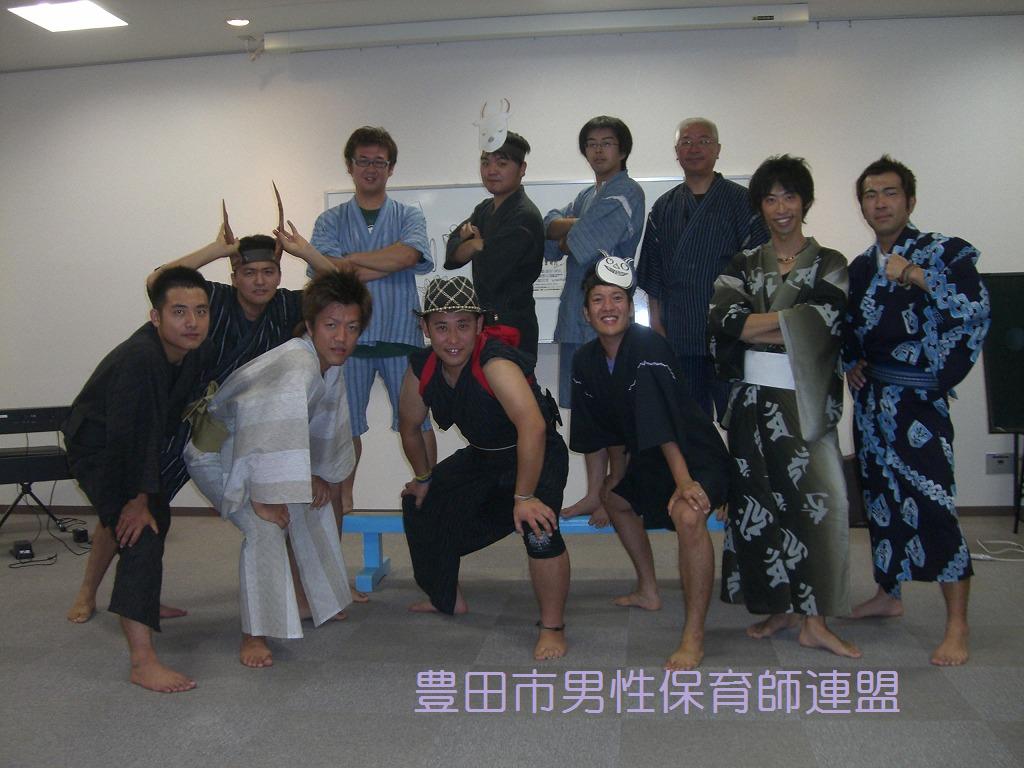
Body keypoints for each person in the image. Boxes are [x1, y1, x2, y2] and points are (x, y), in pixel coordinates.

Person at [66, 199, 347, 624]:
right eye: (249, 272)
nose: (259, 280)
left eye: (268, 271)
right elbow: (159, 281)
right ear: (234, 276)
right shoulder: (212, 300)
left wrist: (305, 252)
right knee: (135, 503)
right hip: (181, 417)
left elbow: (342, 290)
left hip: (237, 426)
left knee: (280, 500)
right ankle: (89, 590)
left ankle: (296, 595)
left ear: (279, 274)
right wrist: (216, 250)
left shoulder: (288, 306)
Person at [709, 155, 859, 659]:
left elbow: (825, 321)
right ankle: (779, 606)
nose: (780, 208)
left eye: (789, 196)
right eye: (770, 199)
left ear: (805, 202)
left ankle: (815, 619)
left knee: (818, 504)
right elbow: (725, 320)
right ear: (760, 206)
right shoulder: (743, 263)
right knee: (758, 504)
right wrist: (789, 320)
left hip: (804, 401)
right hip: (751, 403)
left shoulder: (831, 263)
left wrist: (758, 324)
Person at [843, 155, 990, 666]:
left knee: (933, 503)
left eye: (889, 193)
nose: (879, 203)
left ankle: (957, 623)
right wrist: (850, 362)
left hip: (919, 403)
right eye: (870, 195)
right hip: (872, 404)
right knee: (880, 500)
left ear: (910, 200)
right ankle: (889, 593)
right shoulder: (860, 268)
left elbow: (975, 310)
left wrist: (914, 274)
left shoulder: (945, 252)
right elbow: (846, 328)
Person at [184, 270, 370, 668]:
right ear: (311, 326)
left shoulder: (330, 365)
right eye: (331, 325)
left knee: (316, 501)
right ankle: (254, 633)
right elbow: (261, 430)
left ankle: (310, 598)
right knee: (264, 528)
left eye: (352, 327)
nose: (341, 337)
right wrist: (263, 497)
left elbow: (318, 431)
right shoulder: (297, 364)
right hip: (217, 454)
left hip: (254, 450)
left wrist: (316, 477)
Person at [569, 255, 729, 670]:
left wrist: (685, 482)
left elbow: (662, 422)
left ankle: (694, 635)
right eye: (598, 300)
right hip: (652, 458)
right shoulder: (586, 360)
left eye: (617, 298)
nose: (608, 307)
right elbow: (606, 433)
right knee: (616, 499)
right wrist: (605, 488)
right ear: (585, 313)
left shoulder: (648, 345)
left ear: (630, 306)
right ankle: (648, 590)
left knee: (687, 515)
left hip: (695, 455)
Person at [398, 277, 571, 660]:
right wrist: (424, 477)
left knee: (539, 530)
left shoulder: (495, 362)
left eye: (463, 325)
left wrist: (525, 497)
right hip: (484, 456)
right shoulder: (421, 368)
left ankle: (553, 626)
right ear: (425, 328)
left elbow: (533, 427)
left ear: (479, 325)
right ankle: (446, 597)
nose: (452, 338)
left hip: (537, 452)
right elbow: (411, 426)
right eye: (441, 327)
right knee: (421, 504)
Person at [63, 267, 210, 692]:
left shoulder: (188, 351)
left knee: (153, 519)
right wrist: (136, 499)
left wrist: (146, 499)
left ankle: (139, 601)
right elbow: (128, 436)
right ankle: (142, 662)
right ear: (155, 317)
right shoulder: (141, 358)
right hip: (98, 447)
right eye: (179, 312)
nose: (192, 322)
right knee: (139, 533)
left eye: (200, 311)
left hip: (130, 445)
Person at [293, 126, 435, 521]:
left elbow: (409, 257)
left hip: (401, 334)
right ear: (350, 166)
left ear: (391, 169)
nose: (371, 169)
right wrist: (383, 261)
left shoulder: (408, 215)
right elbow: (325, 270)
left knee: (417, 421)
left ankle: (431, 488)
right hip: (346, 341)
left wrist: (350, 262)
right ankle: (343, 500)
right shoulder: (330, 219)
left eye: (379, 162)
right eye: (363, 161)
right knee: (344, 425)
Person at [545, 115, 645, 525]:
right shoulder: (588, 195)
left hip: (608, 315)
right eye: (591, 143)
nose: (599, 150)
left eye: (607, 142)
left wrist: (567, 229)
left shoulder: (627, 192)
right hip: (576, 313)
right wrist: (568, 226)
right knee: (587, 409)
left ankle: (613, 493)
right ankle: (592, 493)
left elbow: (579, 244)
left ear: (623, 150)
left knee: (613, 408)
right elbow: (549, 231)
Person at [637, 117, 769, 421]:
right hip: (679, 335)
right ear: (676, 152)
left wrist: (756, 331)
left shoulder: (743, 202)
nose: (694, 148)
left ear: (718, 149)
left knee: (742, 423)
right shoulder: (663, 207)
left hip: (732, 336)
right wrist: (657, 327)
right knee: (689, 426)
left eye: (703, 141)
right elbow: (653, 276)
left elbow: (762, 272)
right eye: (686, 141)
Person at [444, 131, 545, 358]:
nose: (491, 170)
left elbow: (492, 272)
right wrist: (475, 245)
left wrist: (475, 245)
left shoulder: (525, 215)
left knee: (509, 381)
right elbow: (452, 254)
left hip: (512, 324)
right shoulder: (484, 209)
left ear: (522, 168)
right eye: (485, 163)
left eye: (502, 163)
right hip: (487, 322)